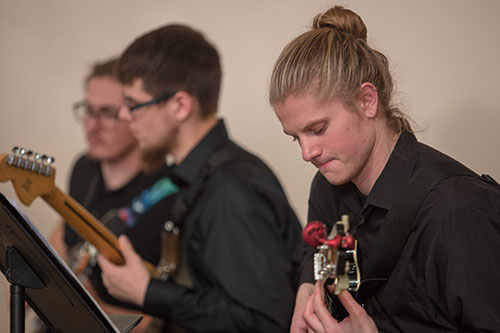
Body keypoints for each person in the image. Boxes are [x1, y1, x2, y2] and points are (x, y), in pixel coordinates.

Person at [269, 5, 500, 333]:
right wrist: (308, 285)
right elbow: (319, 248)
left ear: (367, 101)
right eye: (296, 138)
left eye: (317, 128)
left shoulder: (457, 212)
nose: (307, 153)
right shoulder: (327, 184)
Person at [95, 24, 302, 332]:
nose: (125, 117)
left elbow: (263, 322)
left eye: (134, 104)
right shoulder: (201, 177)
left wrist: (147, 292)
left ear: (180, 105)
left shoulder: (230, 189)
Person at [48, 58, 177, 331]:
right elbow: (65, 232)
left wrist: (92, 309)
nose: (92, 126)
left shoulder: (170, 193)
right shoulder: (83, 168)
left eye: (107, 113)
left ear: (135, 114)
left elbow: (169, 318)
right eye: (88, 110)